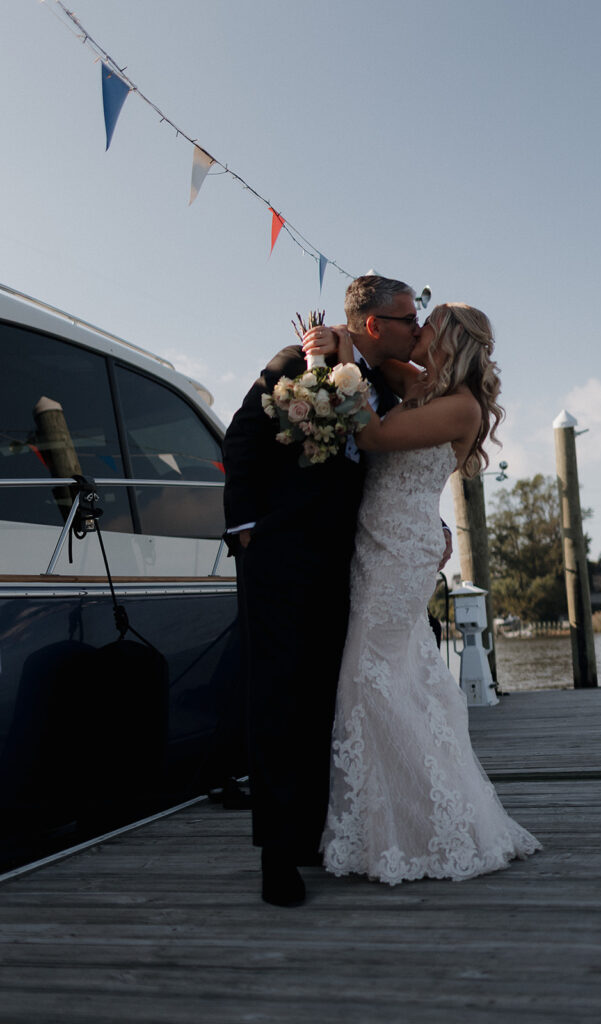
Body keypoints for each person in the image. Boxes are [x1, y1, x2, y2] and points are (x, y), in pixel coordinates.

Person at [222, 276, 452, 907]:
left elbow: (394, 466)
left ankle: (314, 833)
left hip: (351, 561)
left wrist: (427, 522)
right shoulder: (300, 362)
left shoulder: (390, 382)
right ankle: (277, 856)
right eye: (408, 318)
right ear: (374, 324)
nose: (417, 328)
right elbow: (241, 441)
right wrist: (246, 531)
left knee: (330, 692)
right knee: (279, 694)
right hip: (280, 555)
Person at [305, 302, 541, 885]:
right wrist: (340, 343)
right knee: (398, 677)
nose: (418, 330)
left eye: (426, 324)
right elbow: (379, 364)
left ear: (448, 339)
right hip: (376, 540)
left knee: (372, 674)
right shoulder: (423, 383)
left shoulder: (461, 405)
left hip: (401, 551)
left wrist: (328, 365)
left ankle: (428, 830)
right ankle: (396, 823)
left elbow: (376, 435)